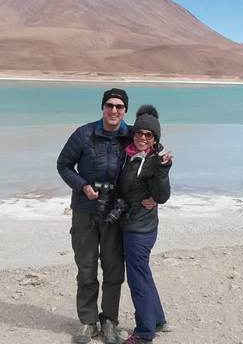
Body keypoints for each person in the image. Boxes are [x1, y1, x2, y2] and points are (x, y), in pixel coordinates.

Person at [57, 88, 132, 344]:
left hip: (114, 214)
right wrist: (82, 186)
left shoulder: (131, 136)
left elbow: (151, 152)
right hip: (85, 212)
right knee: (86, 269)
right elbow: (63, 165)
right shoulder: (83, 134)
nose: (113, 110)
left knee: (113, 270)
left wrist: (164, 163)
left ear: (125, 111)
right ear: (102, 107)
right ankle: (88, 322)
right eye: (109, 105)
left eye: (119, 107)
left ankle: (109, 320)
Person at [117, 105, 172, 344]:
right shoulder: (129, 155)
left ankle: (144, 333)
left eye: (149, 135)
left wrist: (162, 169)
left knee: (137, 279)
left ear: (155, 139)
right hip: (133, 223)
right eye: (139, 133)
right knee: (144, 274)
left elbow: (162, 195)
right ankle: (157, 319)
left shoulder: (154, 161)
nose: (143, 137)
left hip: (140, 229)